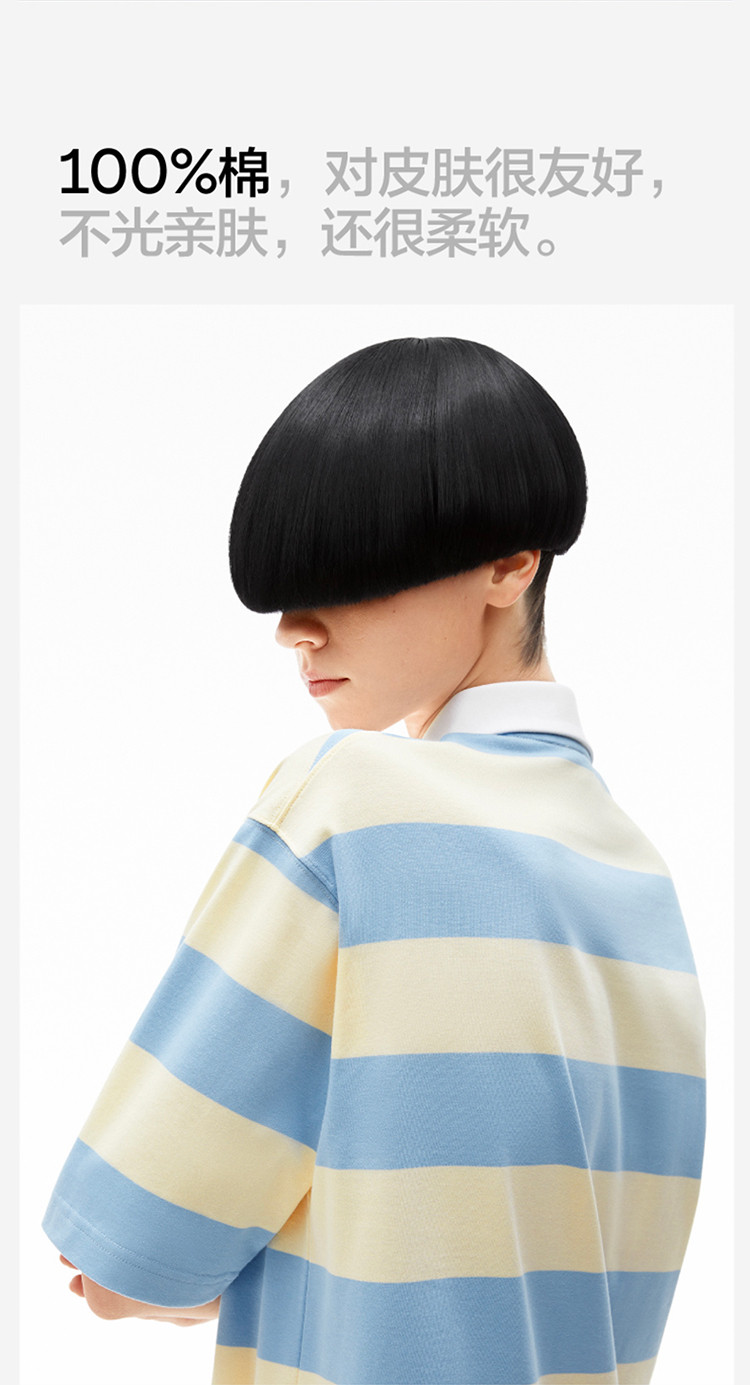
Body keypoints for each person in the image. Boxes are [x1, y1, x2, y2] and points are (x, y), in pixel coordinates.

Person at [43, 337, 706, 1385]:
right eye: (282, 591)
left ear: (510, 562)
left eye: (349, 574)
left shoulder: (351, 802)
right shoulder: (640, 879)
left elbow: (127, 1252)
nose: (293, 630)